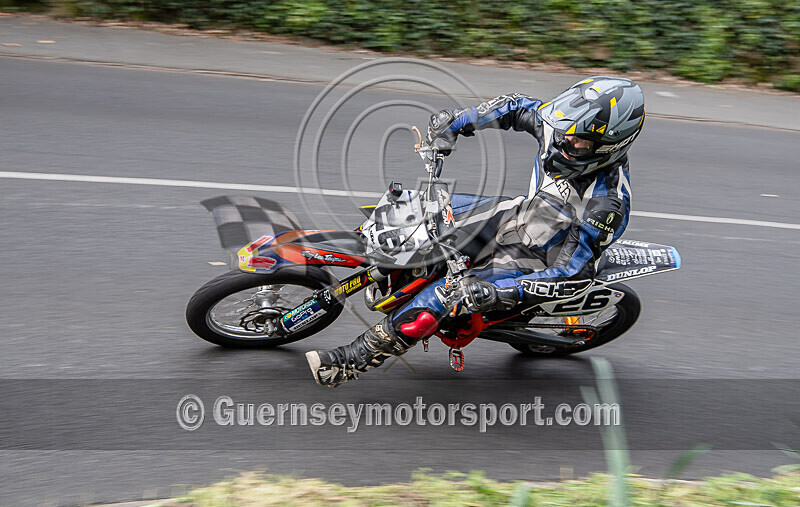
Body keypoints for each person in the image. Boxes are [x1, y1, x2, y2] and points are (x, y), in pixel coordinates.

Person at [306, 76, 645, 387]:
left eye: (577, 141)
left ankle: (352, 360)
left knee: (445, 295)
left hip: (539, 257)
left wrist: (502, 292)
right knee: (414, 212)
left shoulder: (606, 205)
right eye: (562, 129)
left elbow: (573, 274)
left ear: (609, 147)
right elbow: (515, 106)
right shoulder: (560, 125)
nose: (561, 141)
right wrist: (456, 122)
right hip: (520, 215)